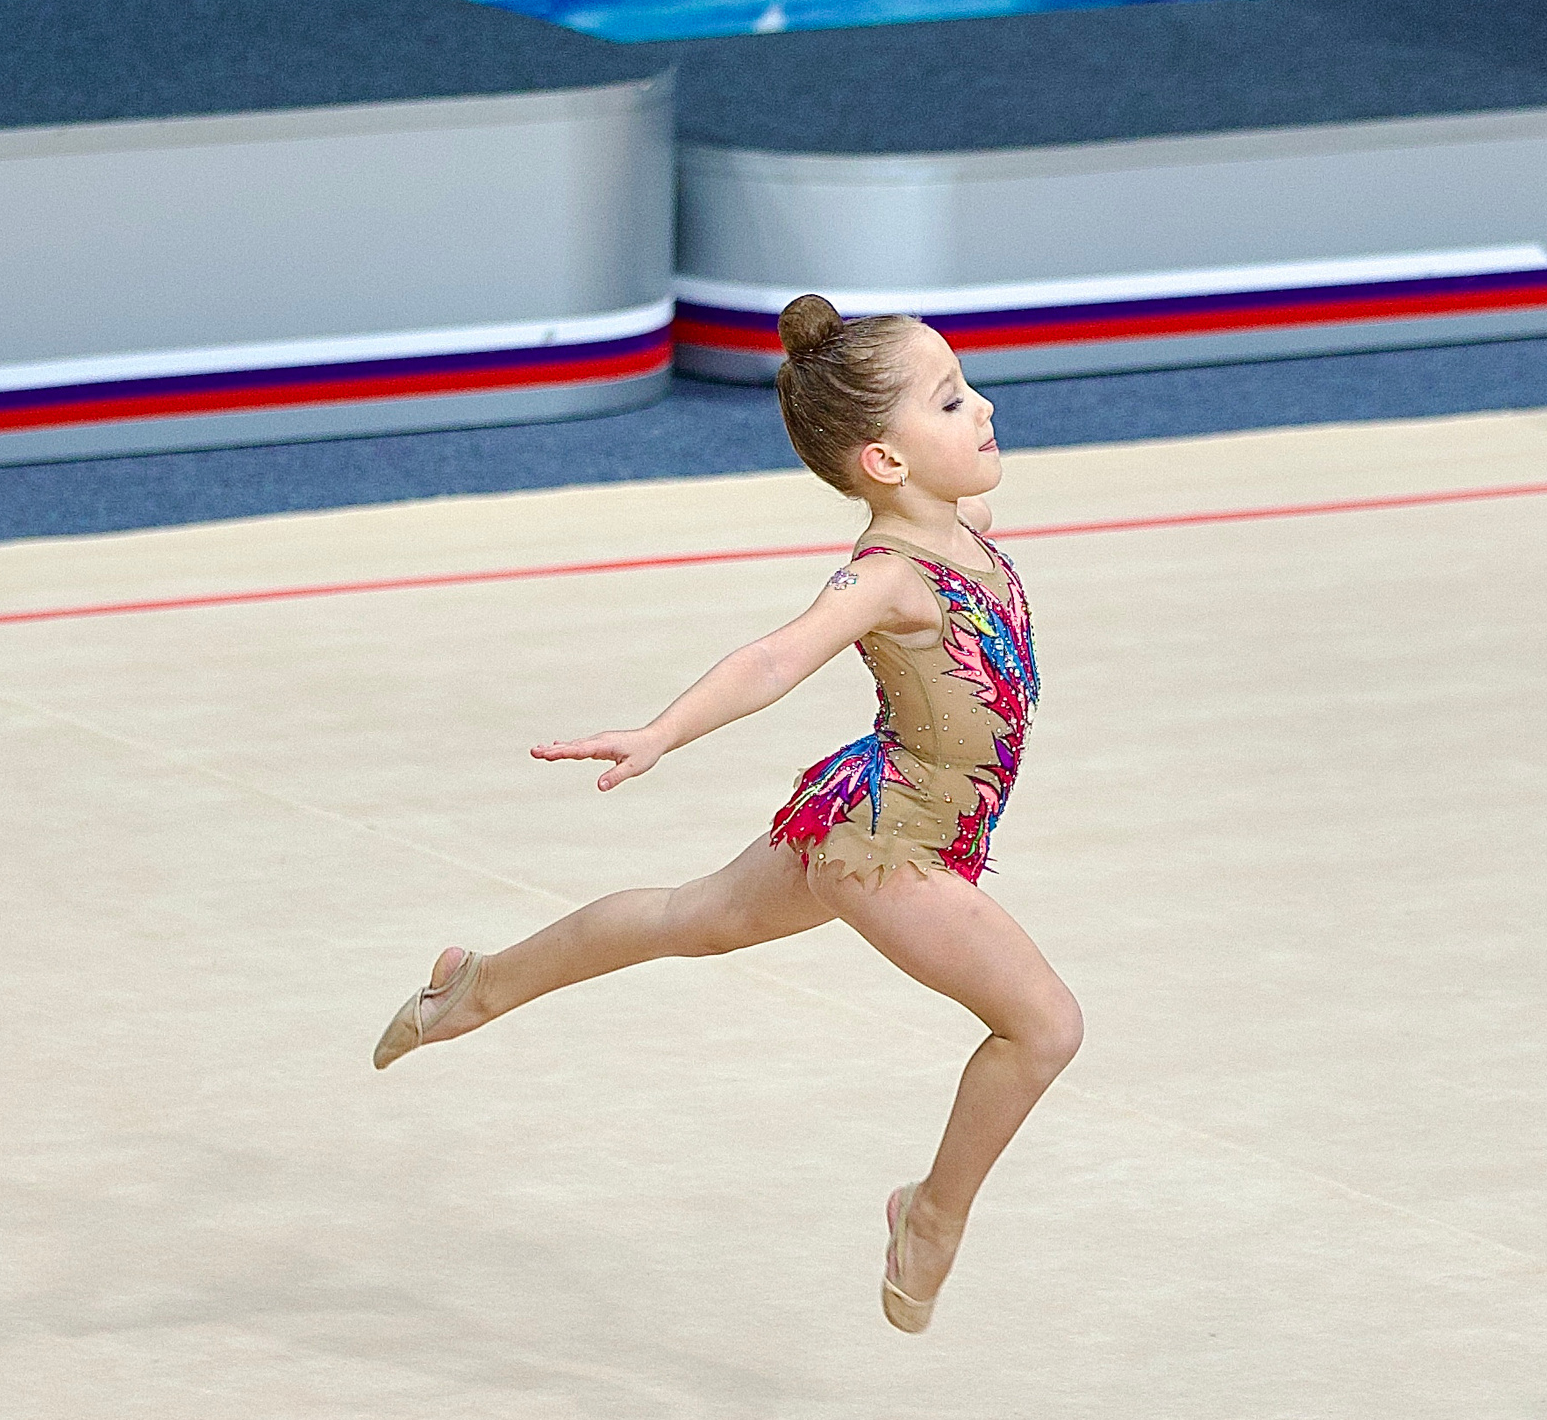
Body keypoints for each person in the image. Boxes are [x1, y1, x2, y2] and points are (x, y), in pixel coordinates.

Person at [374, 294, 1078, 1334]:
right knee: (1044, 1026)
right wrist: (662, 730)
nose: (983, 407)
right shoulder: (888, 575)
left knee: (685, 917)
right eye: (949, 400)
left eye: (966, 386)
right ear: (885, 460)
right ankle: (930, 1214)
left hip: (876, 813)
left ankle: (477, 985)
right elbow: (775, 657)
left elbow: (962, 544)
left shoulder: (957, 526)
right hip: (887, 846)